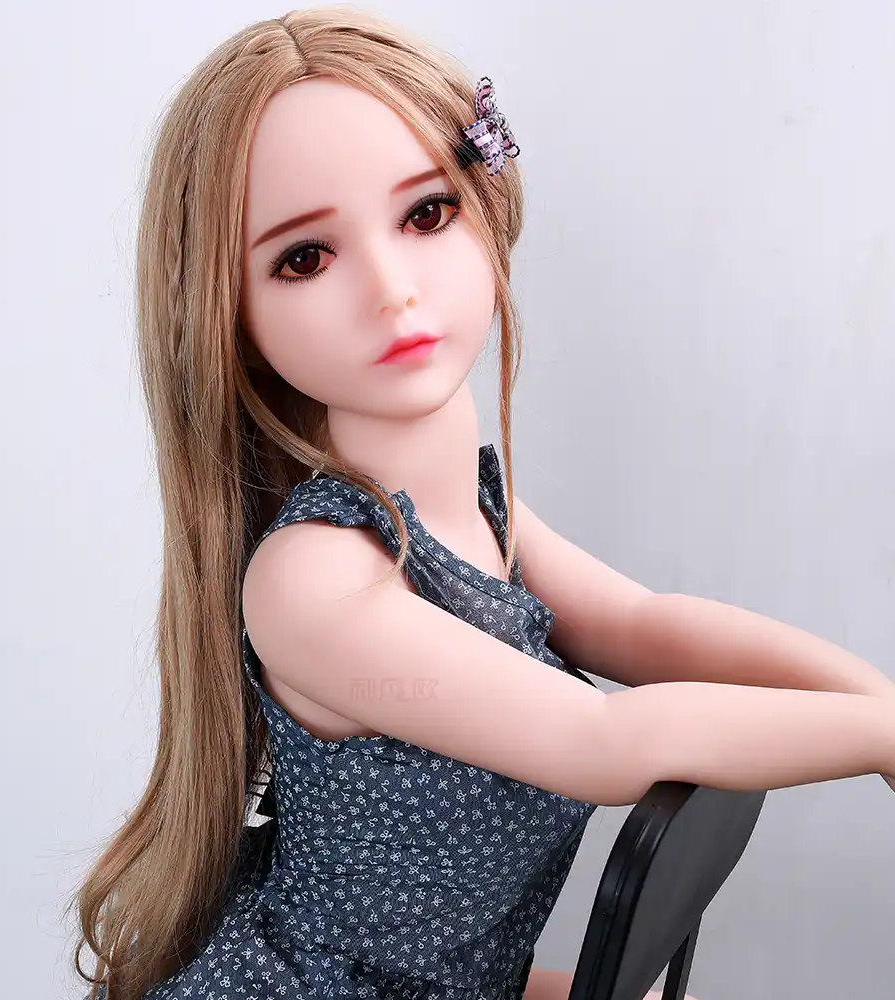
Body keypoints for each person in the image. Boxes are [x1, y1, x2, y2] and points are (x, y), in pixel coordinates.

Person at [66, 7, 895, 1000]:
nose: (391, 290)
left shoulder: (475, 513)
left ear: (486, 204)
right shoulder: (313, 582)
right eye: (305, 259)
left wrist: (874, 700)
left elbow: (644, 626)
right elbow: (604, 743)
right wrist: (880, 735)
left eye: (425, 215)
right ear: (230, 318)